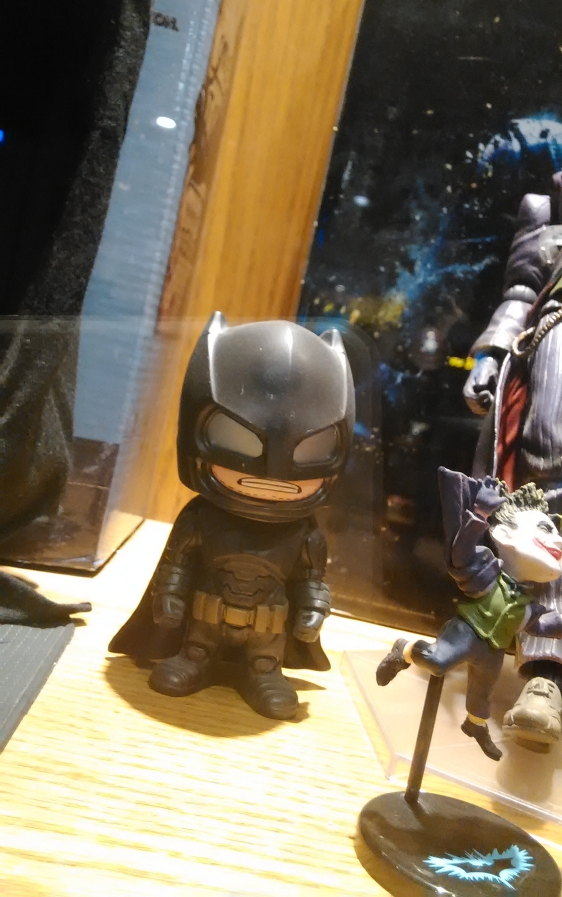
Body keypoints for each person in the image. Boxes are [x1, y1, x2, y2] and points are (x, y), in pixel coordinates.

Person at [109, 313, 355, 720]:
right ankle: (195, 658)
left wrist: (313, 612)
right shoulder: (200, 519)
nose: (271, 475)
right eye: (236, 436)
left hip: (267, 627)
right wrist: (170, 596)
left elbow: (310, 581)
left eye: (312, 448)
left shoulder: (306, 535)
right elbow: (178, 564)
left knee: (264, 656)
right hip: (204, 619)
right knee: (198, 645)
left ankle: (264, 672)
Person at [463, 176, 562, 749]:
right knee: (545, 488)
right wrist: (491, 354)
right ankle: (545, 675)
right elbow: (521, 293)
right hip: (554, 357)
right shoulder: (547, 213)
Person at [377, 468, 562, 761]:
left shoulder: (527, 602)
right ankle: (405, 649)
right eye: (545, 529)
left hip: (493, 651)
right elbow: (461, 555)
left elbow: (541, 626)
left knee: (481, 694)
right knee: (438, 661)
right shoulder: (487, 573)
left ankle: (475, 725)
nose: (558, 540)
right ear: (504, 534)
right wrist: (480, 515)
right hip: (466, 633)